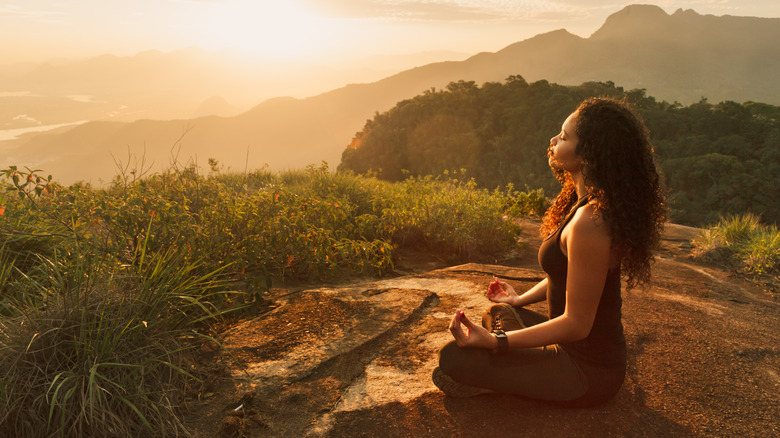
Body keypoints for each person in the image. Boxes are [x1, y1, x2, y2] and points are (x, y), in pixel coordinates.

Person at [432, 97, 665, 407]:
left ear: (588, 154)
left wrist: (496, 341)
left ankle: (504, 379)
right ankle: (512, 371)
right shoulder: (582, 203)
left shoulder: (591, 223)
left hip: (587, 373)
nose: (553, 141)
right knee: (498, 311)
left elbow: (576, 325)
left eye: (565, 137)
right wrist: (518, 299)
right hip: (564, 348)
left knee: (453, 359)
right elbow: (567, 275)